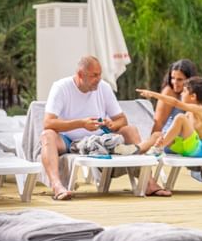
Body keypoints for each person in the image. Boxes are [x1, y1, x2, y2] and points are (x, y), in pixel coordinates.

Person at [39, 55, 172, 200]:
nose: (98, 79)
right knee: (47, 135)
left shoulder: (103, 87)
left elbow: (122, 120)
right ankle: (57, 186)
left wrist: (113, 125)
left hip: (100, 139)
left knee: (130, 130)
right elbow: (48, 123)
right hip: (68, 140)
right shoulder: (61, 87)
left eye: (100, 74)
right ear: (80, 75)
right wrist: (81, 123)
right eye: (94, 75)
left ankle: (148, 183)